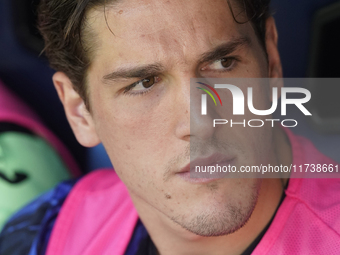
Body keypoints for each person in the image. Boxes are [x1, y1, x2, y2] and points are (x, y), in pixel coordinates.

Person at [1, 0, 340, 254]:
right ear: (79, 111)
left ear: (272, 62)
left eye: (223, 63)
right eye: (144, 83)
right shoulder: (48, 233)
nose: (201, 123)